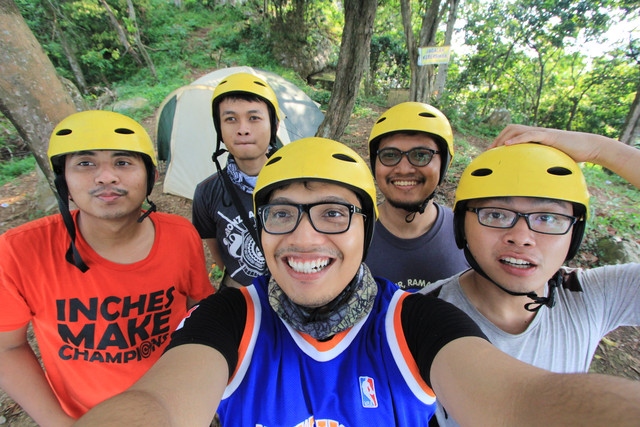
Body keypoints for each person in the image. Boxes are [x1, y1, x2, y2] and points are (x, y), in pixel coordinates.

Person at [76, 137, 640, 427]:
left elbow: (526, 399)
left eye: (332, 214)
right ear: (261, 229)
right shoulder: (227, 321)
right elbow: (156, 403)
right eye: (281, 215)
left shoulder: (419, 322)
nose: (304, 238)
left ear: (365, 233)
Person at [0, 111, 214, 425]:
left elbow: (200, 310)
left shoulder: (181, 236)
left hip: (177, 406)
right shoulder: (20, 251)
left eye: (123, 162)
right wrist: (59, 422)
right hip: (87, 417)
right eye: (85, 163)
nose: (106, 177)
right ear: (64, 183)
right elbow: (8, 347)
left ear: (150, 177)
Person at [422, 125, 640, 426]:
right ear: (462, 228)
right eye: (496, 214)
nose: (521, 237)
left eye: (548, 218)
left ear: (574, 234)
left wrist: (600, 149)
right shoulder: (420, 313)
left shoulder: (592, 295)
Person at [192, 72, 281, 288]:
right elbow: (220, 256)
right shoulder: (207, 192)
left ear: (274, 126)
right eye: (230, 119)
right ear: (219, 129)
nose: (242, 129)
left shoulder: (297, 183)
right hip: (240, 297)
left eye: (254, 118)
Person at [365, 102, 468, 290]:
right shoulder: (351, 233)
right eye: (389, 155)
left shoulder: (469, 234)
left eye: (421, 155)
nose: (404, 169)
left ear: (443, 164)